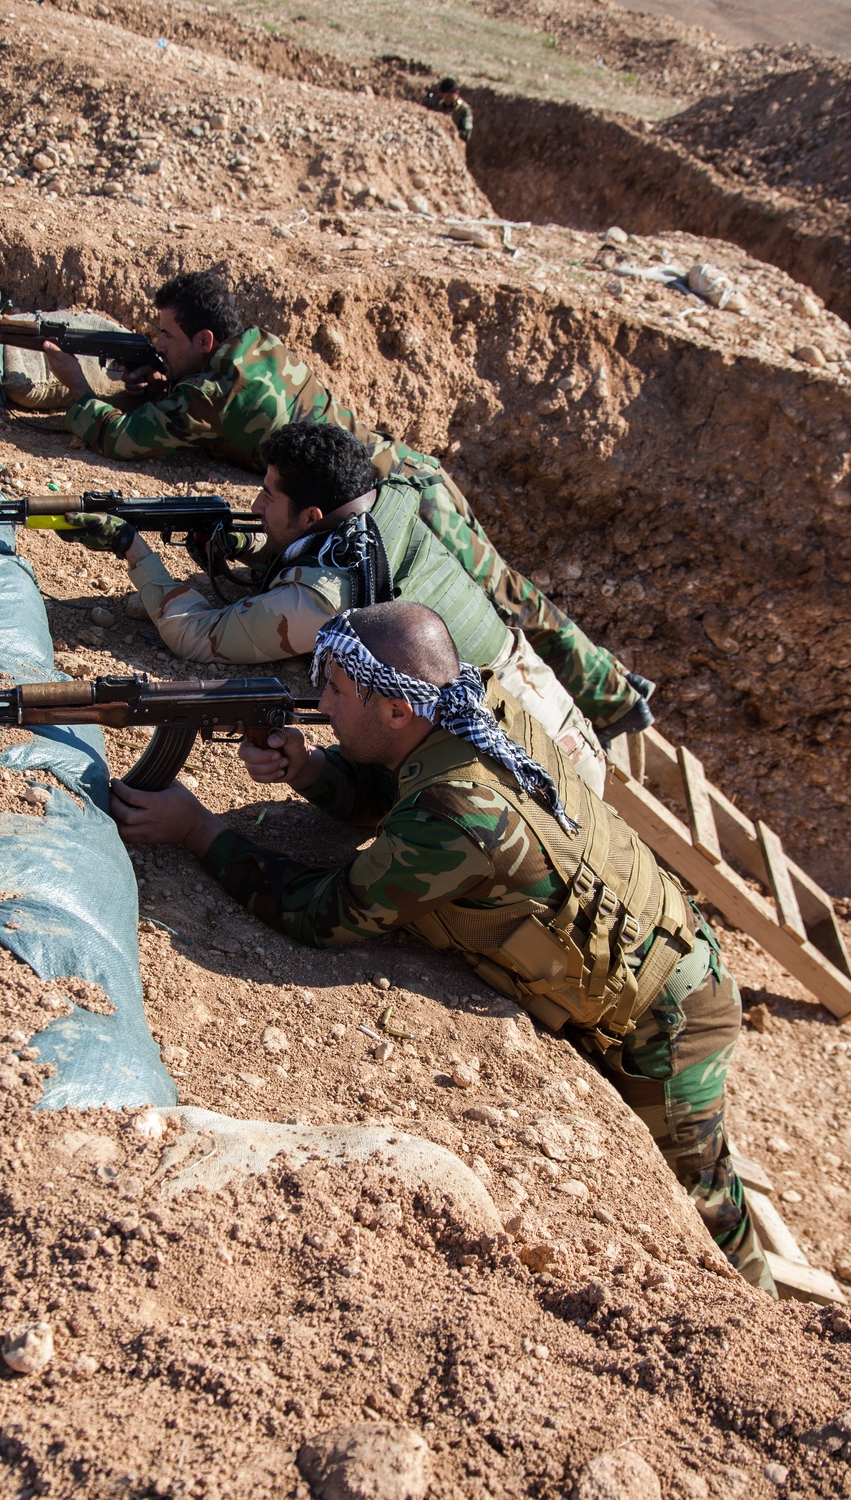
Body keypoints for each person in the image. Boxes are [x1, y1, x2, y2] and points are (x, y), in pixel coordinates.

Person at [109, 601, 774, 1295]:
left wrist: (198, 832)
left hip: (669, 1021)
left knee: (705, 1200)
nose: (321, 704)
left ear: (398, 709)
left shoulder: (460, 814)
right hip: (657, 955)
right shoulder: (472, 707)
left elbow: (326, 914)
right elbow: (396, 788)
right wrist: (310, 770)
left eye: (336, 691)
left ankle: (770, 1315)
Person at [42, 270, 653, 749]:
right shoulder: (257, 349)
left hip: (402, 493)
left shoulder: (215, 393)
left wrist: (77, 388)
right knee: (505, 599)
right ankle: (604, 692)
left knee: (508, 599)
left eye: (166, 339)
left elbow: (125, 438)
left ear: (203, 342)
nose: (157, 346)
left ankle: (614, 700)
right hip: (392, 477)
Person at [68, 423, 609, 793]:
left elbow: (193, 634)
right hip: (555, 710)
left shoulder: (321, 600)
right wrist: (248, 548)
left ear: (311, 514)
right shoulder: (384, 510)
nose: (255, 507)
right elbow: (319, 548)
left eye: (269, 498)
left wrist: (133, 548)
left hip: (534, 763)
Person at [424, 76, 473, 142]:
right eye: (444, 96)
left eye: (449, 96)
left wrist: (451, 131)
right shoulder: (440, 106)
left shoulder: (463, 110)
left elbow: (466, 134)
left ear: (456, 93)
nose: (446, 99)